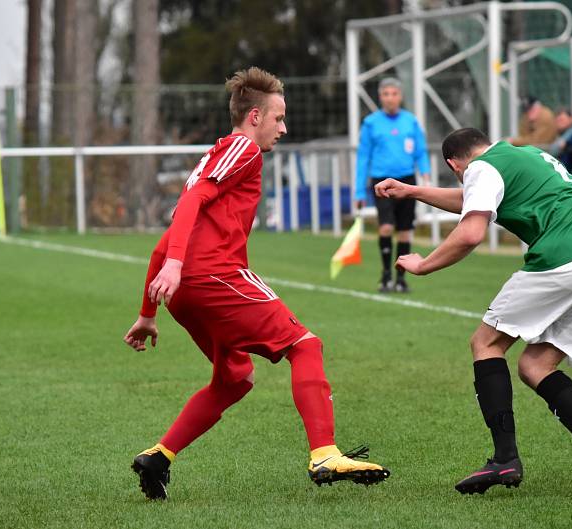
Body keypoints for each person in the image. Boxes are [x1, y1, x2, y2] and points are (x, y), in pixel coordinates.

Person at [123, 67, 389, 500]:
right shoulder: (243, 149)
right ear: (253, 117)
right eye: (278, 118)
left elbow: (169, 238)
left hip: (186, 290)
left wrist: (147, 312)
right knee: (305, 345)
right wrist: (173, 267)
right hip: (213, 276)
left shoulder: (217, 157)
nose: (283, 128)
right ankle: (324, 452)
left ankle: (159, 456)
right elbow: (188, 204)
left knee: (234, 379)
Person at [375, 128, 572, 495]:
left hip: (568, 256)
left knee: (486, 343)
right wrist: (413, 191)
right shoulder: (522, 155)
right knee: (535, 366)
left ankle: (504, 458)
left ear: (455, 164)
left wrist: (424, 265)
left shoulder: (481, 168)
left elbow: (469, 232)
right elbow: (471, 198)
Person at [355, 77, 431, 293]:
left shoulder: (411, 121)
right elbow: (363, 157)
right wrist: (359, 190)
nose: (390, 98)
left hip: (407, 180)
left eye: (394, 93)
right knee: (386, 226)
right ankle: (386, 274)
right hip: (381, 182)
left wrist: (425, 173)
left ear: (400, 96)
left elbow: (420, 151)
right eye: (386, 94)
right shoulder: (371, 123)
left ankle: (401, 278)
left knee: (405, 231)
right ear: (380, 97)